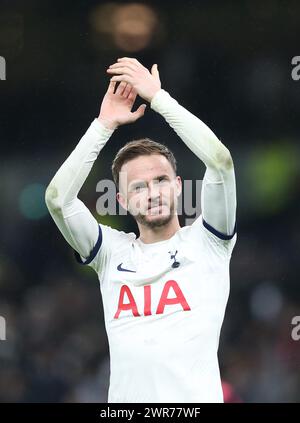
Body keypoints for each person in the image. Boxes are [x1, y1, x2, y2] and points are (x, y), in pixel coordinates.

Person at [45, 57, 237, 403]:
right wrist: (104, 124)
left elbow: (220, 161)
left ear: (178, 186)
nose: (153, 192)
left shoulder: (209, 241)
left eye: (161, 180)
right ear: (121, 200)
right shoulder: (110, 253)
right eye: (138, 187)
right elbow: (58, 199)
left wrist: (159, 99)